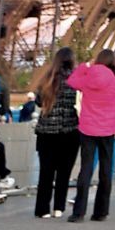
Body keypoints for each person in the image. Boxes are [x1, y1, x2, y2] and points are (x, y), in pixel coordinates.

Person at [66, 50, 115, 223]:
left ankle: (78, 212)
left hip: (87, 129)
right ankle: (101, 212)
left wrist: (86, 66)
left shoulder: (87, 80)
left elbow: (71, 80)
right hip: (107, 129)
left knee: (86, 169)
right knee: (106, 170)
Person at [34, 47, 80, 219]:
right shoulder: (76, 80)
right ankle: (58, 207)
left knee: (46, 172)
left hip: (46, 131)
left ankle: (42, 209)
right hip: (69, 131)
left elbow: (39, 101)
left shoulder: (47, 79)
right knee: (64, 172)